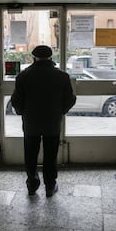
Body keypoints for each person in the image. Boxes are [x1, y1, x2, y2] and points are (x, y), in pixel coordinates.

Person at [11, 45, 76, 197]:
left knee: (31, 154)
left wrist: (23, 112)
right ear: (50, 57)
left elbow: (16, 100)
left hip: (31, 123)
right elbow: (70, 99)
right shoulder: (62, 76)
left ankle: (32, 185)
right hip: (52, 123)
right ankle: (50, 186)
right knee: (50, 156)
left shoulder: (23, 76)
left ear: (33, 58)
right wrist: (60, 111)